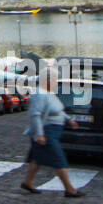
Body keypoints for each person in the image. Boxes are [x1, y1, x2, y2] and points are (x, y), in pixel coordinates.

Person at [19, 64, 83, 197]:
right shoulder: (40, 95)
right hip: (47, 133)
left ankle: (28, 182)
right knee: (59, 160)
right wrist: (40, 135)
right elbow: (35, 115)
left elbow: (57, 110)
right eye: (55, 80)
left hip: (51, 131)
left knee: (37, 159)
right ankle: (69, 189)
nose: (56, 83)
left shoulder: (48, 93)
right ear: (48, 81)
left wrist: (68, 119)